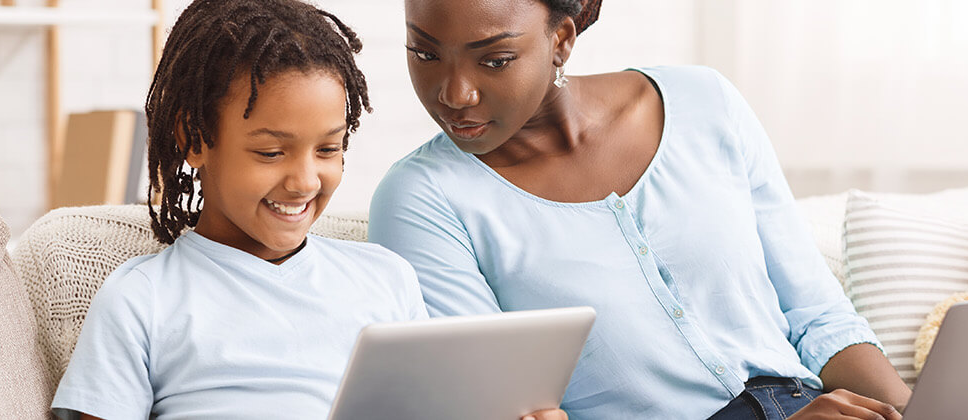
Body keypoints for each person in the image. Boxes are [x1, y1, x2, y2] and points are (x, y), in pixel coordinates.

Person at [368, 0, 913, 419]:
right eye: (424, 53)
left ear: (561, 38)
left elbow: (818, 317)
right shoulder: (422, 199)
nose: (455, 93)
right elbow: (502, 405)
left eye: (495, 60)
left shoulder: (705, 101)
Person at [50, 1, 566, 419]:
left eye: (328, 150)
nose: (304, 181)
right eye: (271, 153)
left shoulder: (385, 279)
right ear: (195, 138)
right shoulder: (143, 297)